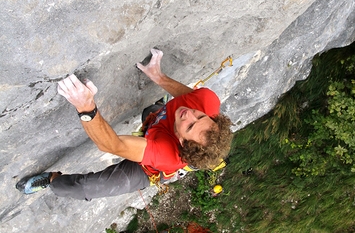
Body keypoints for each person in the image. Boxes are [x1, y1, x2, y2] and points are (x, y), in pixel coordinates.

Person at [16, 49, 233, 200]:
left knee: (87, 187)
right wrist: (158, 77)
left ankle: (52, 181)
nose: (189, 115)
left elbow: (112, 145)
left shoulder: (165, 152)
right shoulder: (207, 103)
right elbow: (188, 96)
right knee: (151, 112)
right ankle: (156, 111)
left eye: (189, 126)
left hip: (146, 170)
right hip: (157, 126)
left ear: (182, 141)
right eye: (200, 117)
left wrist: (86, 108)